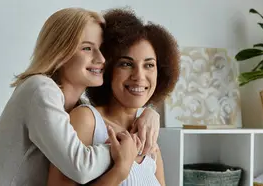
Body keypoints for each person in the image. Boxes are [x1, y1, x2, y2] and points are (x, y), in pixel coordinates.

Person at [0, 8, 162, 186]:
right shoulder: (39, 89)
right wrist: (125, 149)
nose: (101, 59)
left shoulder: (76, 107)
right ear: (61, 53)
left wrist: (149, 113)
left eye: (101, 49)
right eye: (87, 48)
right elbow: (80, 167)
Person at [46, 8, 180, 186]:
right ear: (107, 69)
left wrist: (150, 112)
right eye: (126, 64)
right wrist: (120, 171)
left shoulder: (149, 138)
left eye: (149, 65)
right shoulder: (87, 121)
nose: (139, 76)